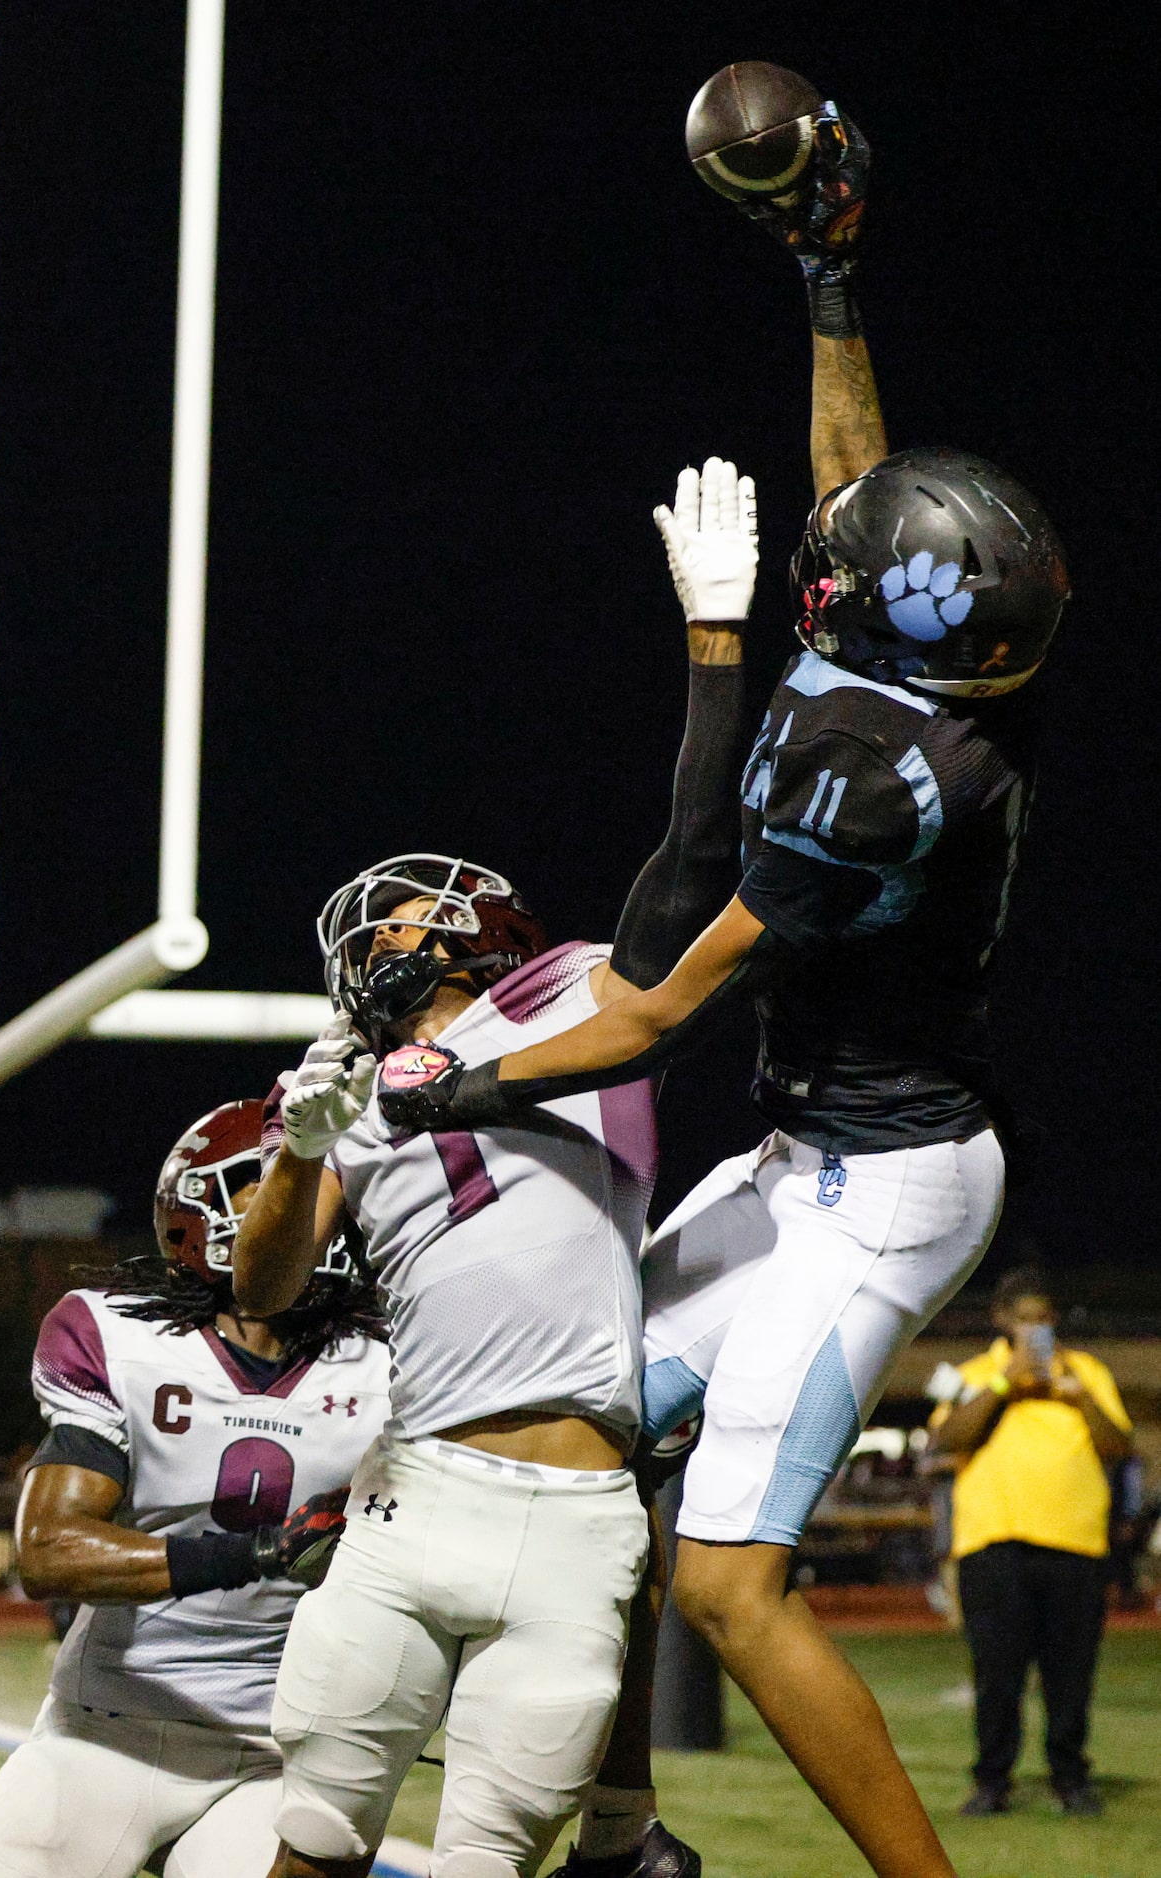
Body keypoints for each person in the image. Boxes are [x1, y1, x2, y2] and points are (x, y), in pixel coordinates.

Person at [377, 91, 1070, 1878]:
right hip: (804, 1155)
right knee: (580, 1455)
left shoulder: (879, 785)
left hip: (880, 1188)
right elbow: (861, 496)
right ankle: (616, 1832)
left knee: (732, 1581)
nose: (824, 555)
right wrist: (828, 278)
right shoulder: (925, 684)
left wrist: (436, 1091)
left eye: (841, 574)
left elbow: (659, 1005)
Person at [231, 472, 760, 1878]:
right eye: (405, 912)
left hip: (581, 1513)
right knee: (315, 1845)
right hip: (416, 1496)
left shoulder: (575, 996)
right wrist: (295, 1151)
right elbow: (264, 1290)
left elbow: (695, 852)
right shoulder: (334, 1093)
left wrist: (717, 637)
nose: (423, 910)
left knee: (488, 1861)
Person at [0, 1100, 391, 1878]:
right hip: (107, 1729)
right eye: (258, 1191)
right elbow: (49, 1552)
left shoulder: (393, 1362)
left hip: (279, 1745)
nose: (294, 1215)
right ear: (189, 1216)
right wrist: (261, 1552)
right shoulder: (120, 1336)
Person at [929, 1266, 1132, 1816]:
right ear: (1001, 1321)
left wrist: (1080, 1398)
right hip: (995, 1547)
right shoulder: (975, 1374)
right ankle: (992, 1781)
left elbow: (1119, 1445)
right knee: (997, 1675)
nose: (1034, 1330)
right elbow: (946, 1439)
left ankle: (1071, 1778)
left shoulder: (1085, 1371)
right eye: (1023, 1320)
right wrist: (1005, 1384)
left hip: (1076, 1546)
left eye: (1043, 1319)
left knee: (1071, 1675)